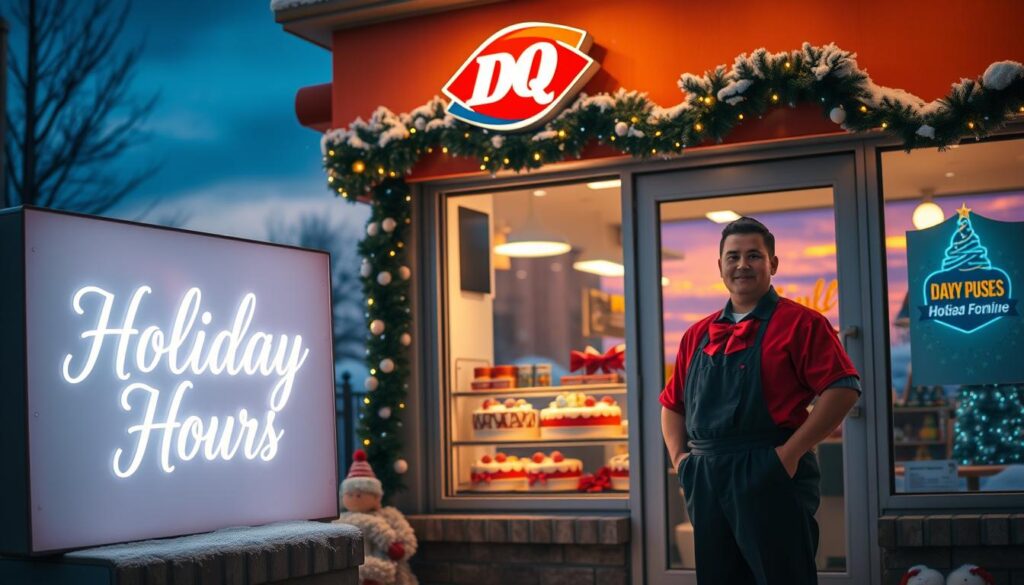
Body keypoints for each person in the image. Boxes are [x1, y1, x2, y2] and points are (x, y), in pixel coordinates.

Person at [659, 217, 860, 584]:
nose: (742, 265)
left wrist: (789, 455)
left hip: (769, 467)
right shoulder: (696, 334)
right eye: (733, 256)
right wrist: (680, 462)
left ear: (773, 264)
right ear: (719, 266)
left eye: (754, 255)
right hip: (706, 475)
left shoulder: (802, 323)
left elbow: (843, 389)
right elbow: (672, 406)